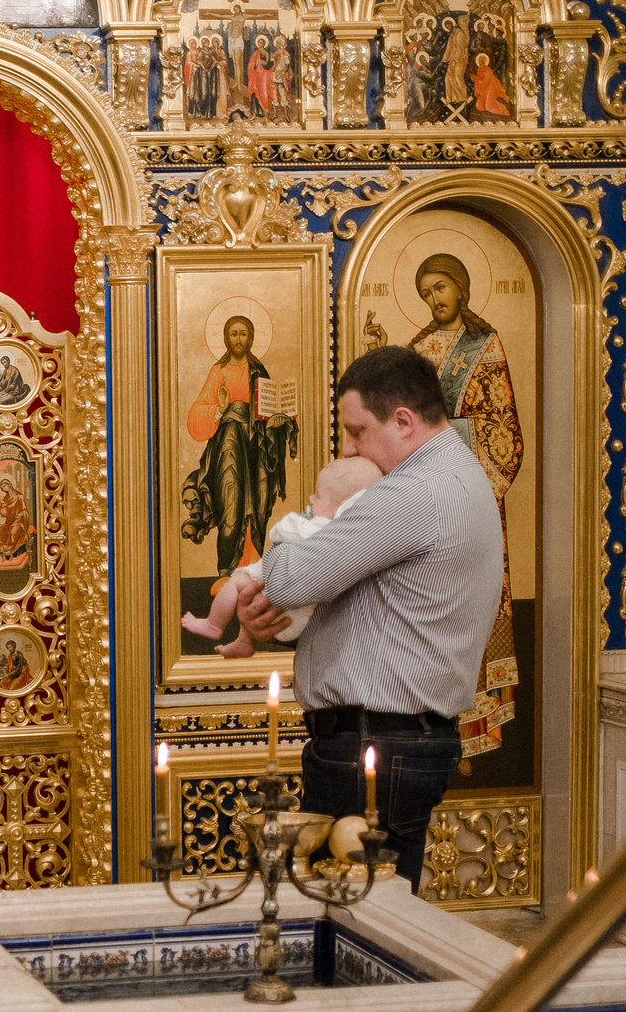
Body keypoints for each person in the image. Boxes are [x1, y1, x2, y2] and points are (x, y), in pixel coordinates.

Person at [233, 347, 503, 892]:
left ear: (403, 421)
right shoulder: (454, 474)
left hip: (376, 742)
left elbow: (289, 577)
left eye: (357, 431)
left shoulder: (417, 492)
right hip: (388, 738)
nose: (349, 448)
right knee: (361, 905)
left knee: (353, 911)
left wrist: (312, 524)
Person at [408, 253, 525, 758]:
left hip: (473, 497)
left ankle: (476, 734)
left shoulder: (485, 344)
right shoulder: (414, 350)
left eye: (440, 288)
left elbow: (504, 429)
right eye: (426, 293)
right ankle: (431, 733)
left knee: (473, 604)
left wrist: (448, 437)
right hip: (424, 500)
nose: (434, 299)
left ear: (460, 286)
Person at [183, 456, 380, 659]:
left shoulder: (314, 528)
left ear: (342, 506)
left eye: (318, 497)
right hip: (308, 624)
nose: (312, 500)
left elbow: (279, 532)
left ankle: (213, 625)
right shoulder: (358, 537)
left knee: (239, 582)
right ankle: (243, 641)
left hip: (279, 615)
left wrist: (296, 519)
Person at [181, 315, 297, 579]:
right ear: (225, 338)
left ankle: (253, 572)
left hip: (258, 452)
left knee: (257, 508)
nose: (238, 339)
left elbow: (271, 411)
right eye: (233, 334)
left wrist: (279, 422)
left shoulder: (259, 371)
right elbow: (196, 415)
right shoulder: (218, 372)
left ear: (251, 338)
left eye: (243, 334)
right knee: (231, 507)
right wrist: (220, 409)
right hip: (228, 449)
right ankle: (225, 574)